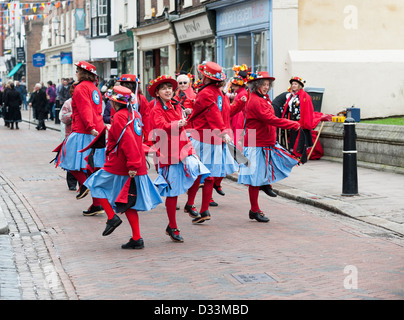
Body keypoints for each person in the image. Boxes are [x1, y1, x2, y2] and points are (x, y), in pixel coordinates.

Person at [84, 86, 163, 249]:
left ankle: (112, 217)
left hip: (121, 164)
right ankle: (137, 238)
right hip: (133, 163)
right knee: (127, 202)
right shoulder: (135, 114)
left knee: (95, 184)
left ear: (115, 103)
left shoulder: (120, 117)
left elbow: (128, 141)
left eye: (111, 101)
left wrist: (132, 165)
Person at [148, 75, 210, 241]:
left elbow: (182, 123)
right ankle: (172, 226)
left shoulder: (175, 104)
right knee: (172, 193)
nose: (168, 90)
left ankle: (189, 204)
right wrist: (178, 124)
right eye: (164, 88)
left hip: (184, 147)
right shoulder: (156, 109)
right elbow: (160, 126)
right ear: (157, 93)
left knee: (200, 172)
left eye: (169, 87)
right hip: (168, 153)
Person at [238, 71, 301, 222]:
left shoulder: (262, 98)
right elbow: (271, 119)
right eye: (263, 84)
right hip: (256, 142)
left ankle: (265, 184)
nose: (266, 87)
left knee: (271, 165)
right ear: (256, 85)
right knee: (254, 178)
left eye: (267, 84)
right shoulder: (256, 101)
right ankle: (254, 209)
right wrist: (293, 124)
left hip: (264, 140)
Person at [55, 61, 106, 216]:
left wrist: (90, 127)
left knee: (65, 158)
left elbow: (85, 109)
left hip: (84, 131)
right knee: (93, 170)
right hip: (98, 131)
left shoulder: (80, 88)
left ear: (81, 73)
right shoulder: (94, 88)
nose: (76, 73)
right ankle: (97, 205)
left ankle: (84, 185)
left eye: (77, 70)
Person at [187, 61, 233, 224]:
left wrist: (222, 131)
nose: (200, 76)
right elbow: (220, 114)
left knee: (200, 174)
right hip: (213, 138)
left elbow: (215, 115)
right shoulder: (219, 93)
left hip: (205, 137)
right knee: (208, 175)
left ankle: (193, 205)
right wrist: (224, 131)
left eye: (202, 74)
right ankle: (201, 208)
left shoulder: (207, 93)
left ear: (205, 77)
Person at [278, 76, 314, 163]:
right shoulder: (292, 96)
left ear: (299, 86)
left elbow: (307, 109)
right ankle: (293, 156)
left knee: (300, 140)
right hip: (292, 121)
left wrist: (305, 122)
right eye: (292, 84)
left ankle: (301, 158)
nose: (293, 85)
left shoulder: (305, 96)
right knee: (293, 139)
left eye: (295, 84)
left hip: (300, 121)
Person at [59, 82, 79, 191]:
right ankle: (71, 183)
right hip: (70, 136)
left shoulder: (86, 102)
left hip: (82, 136)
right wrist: (72, 115)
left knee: (81, 160)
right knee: (71, 160)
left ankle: (82, 183)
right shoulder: (68, 103)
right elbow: (62, 117)